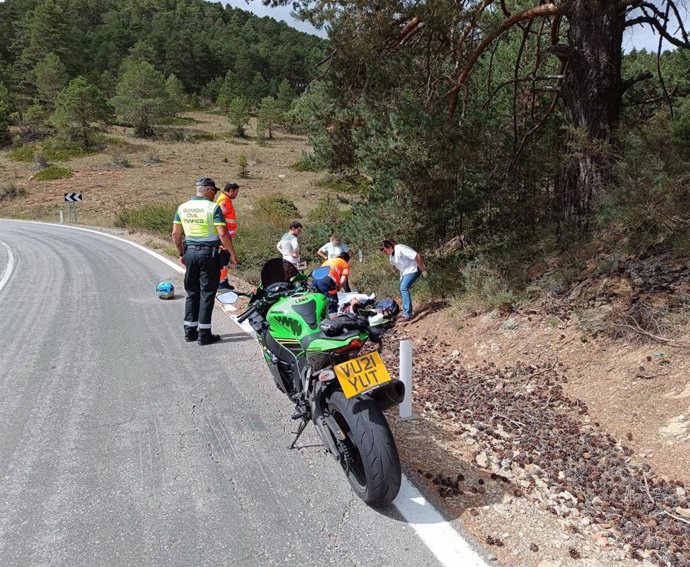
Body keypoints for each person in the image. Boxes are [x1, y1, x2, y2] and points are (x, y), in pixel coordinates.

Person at [172, 177, 235, 345]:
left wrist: (181, 253)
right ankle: (204, 334)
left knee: (192, 292)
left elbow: (176, 235)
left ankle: (189, 331)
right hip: (209, 255)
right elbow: (222, 234)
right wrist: (232, 254)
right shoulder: (213, 208)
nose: (215, 194)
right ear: (207, 190)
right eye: (214, 191)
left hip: (190, 253)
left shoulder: (182, 208)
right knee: (207, 294)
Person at [379, 239, 427, 320]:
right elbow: (393, 265)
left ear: (389, 246)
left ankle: (408, 314)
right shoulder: (391, 256)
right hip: (405, 272)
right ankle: (405, 311)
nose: (385, 253)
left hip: (414, 268)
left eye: (384, 250)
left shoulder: (400, 248)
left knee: (403, 288)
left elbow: (416, 256)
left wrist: (423, 269)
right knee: (402, 289)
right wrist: (394, 269)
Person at [215, 181, 240, 291]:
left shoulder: (225, 199)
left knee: (225, 259)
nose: (237, 194)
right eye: (236, 192)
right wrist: (224, 235)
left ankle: (223, 281)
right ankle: (221, 282)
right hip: (224, 236)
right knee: (224, 259)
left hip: (226, 236)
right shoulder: (224, 200)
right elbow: (221, 217)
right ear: (231, 190)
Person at [313, 252, 351, 316]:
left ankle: (319, 321)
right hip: (326, 281)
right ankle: (332, 322)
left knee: (320, 302)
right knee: (332, 303)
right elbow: (342, 281)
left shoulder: (329, 260)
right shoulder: (345, 264)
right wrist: (338, 287)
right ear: (347, 260)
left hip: (315, 280)